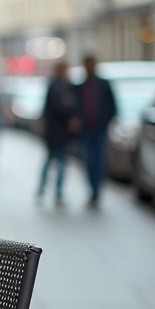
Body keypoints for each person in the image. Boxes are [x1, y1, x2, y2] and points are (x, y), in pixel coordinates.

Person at [74, 54, 118, 208]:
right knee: (89, 161)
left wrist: (106, 122)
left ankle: (97, 191)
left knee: (99, 161)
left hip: (100, 129)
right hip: (86, 130)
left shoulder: (104, 84)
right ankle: (92, 189)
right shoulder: (80, 86)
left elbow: (113, 107)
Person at [37, 60, 79, 207]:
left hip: (61, 133)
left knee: (56, 162)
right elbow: (57, 108)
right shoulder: (56, 87)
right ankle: (48, 190)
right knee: (54, 162)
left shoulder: (67, 86)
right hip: (55, 132)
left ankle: (53, 191)